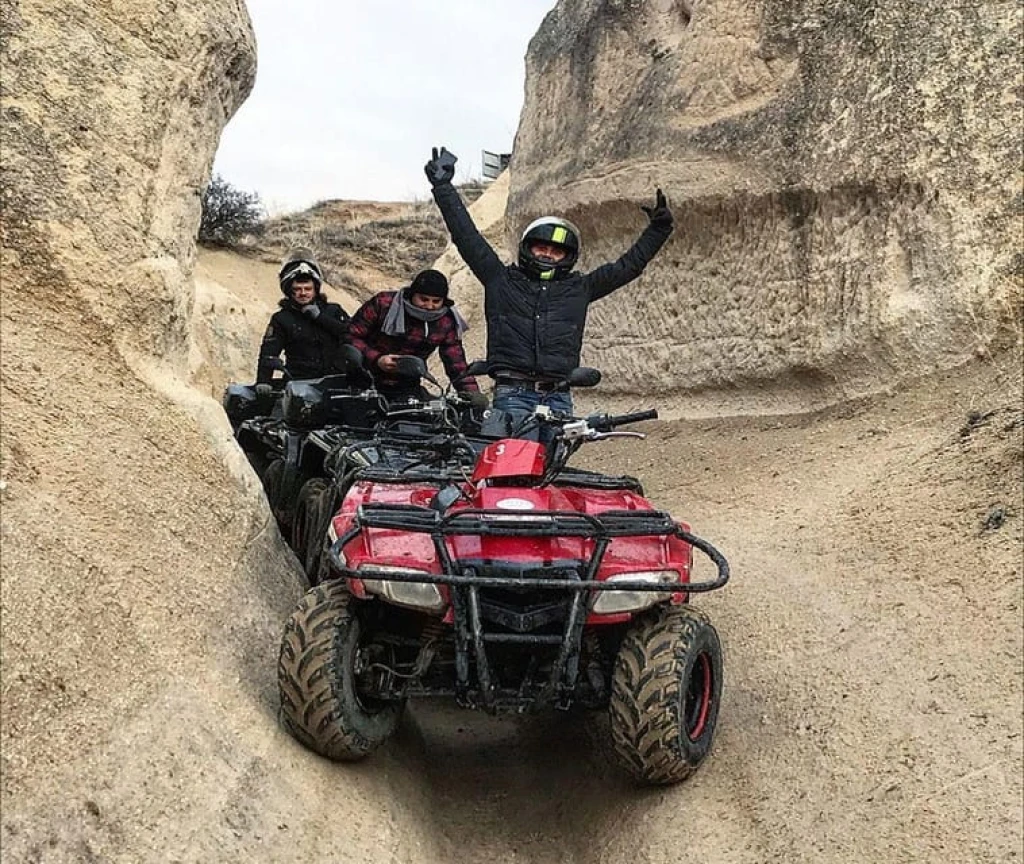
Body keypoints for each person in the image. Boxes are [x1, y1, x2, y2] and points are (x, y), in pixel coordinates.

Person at [424, 145, 674, 423]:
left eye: (557, 251)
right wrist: (443, 187)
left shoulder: (580, 287)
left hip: (559, 397)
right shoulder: (500, 279)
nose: (548, 254)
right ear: (527, 248)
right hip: (513, 396)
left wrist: (658, 230)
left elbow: (628, 267)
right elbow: (467, 237)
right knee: (514, 464)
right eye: (541, 247)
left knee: (552, 466)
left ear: (569, 257)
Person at [348, 268, 480, 401]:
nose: (429, 306)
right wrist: (377, 359)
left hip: (407, 387)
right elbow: (350, 335)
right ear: (412, 295)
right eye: (424, 299)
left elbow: (455, 361)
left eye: (436, 301)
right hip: (362, 379)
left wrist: (472, 395)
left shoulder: (447, 321)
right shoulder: (383, 304)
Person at [255, 248, 352, 392]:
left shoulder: (334, 310)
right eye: (298, 289)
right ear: (289, 291)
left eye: (308, 289)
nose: (303, 293)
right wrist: (264, 381)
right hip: (299, 384)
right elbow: (269, 352)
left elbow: (351, 335)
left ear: (315, 289)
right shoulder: (281, 319)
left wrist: (320, 318)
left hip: (336, 382)